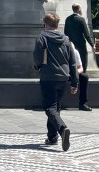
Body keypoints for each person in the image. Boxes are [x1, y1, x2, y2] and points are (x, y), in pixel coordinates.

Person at [33, 12, 79, 152]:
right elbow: (72, 62)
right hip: (63, 78)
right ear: (57, 25)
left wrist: (38, 67)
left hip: (48, 77)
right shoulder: (65, 39)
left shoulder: (42, 37)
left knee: (49, 108)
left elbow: (37, 56)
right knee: (55, 107)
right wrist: (74, 82)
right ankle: (52, 138)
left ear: (45, 24)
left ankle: (62, 129)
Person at [64, 3, 95, 111]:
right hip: (81, 48)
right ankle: (82, 102)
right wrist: (92, 44)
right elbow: (86, 34)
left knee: (71, 68)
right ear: (79, 9)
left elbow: (65, 34)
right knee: (82, 71)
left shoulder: (67, 19)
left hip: (70, 47)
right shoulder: (81, 20)